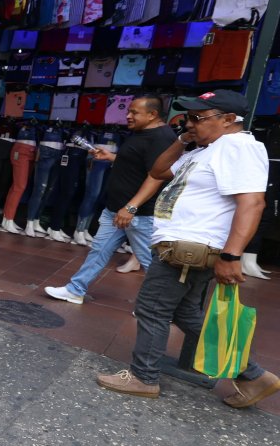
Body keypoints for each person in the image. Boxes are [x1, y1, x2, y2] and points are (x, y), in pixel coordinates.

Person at [97, 91, 280, 407]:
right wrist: (183, 138)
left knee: (152, 308)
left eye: (198, 118)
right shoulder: (206, 150)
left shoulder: (239, 147)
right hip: (181, 246)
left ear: (228, 119)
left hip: (190, 247)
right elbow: (158, 172)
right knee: (185, 313)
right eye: (188, 118)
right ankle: (253, 376)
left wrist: (231, 255)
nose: (190, 123)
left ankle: (143, 377)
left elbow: (252, 203)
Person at [45, 96, 175, 304]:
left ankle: (161, 307)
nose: (128, 116)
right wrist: (112, 157)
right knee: (99, 251)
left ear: (152, 114)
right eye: (129, 111)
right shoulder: (142, 131)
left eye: (134, 112)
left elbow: (156, 176)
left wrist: (131, 207)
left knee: (150, 262)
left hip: (137, 214)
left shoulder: (161, 138)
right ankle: (75, 290)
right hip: (117, 209)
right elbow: (137, 162)